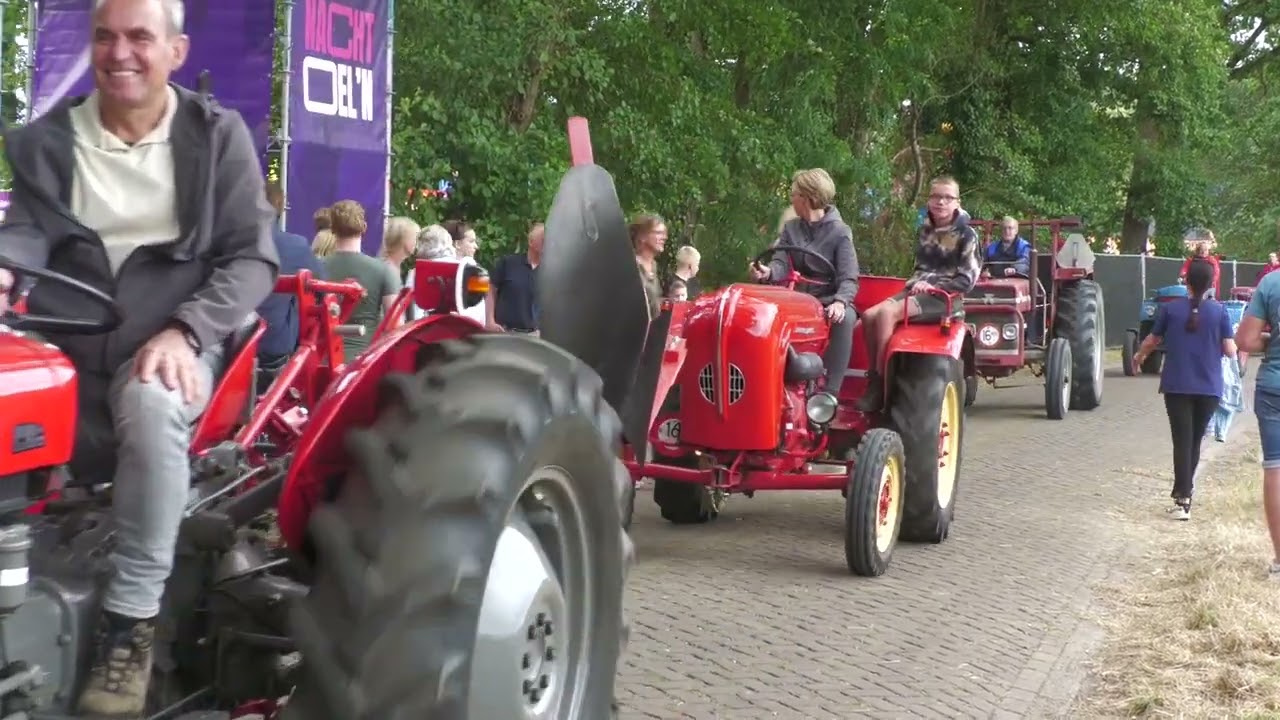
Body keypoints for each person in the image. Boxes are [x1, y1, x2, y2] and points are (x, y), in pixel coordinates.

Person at [0, 0, 279, 714]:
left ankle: (130, 629)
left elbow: (251, 259)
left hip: (171, 339)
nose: (119, 52)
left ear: (175, 51)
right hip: (67, 335)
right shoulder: (49, 141)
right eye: (104, 36)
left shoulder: (216, 138)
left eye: (138, 37)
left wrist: (187, 330)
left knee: (152, 402)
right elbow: (28, 234)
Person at [854, 175, 980, 411]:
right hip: (917, 290)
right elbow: (921, 268)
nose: (941, 202)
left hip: (945, 298)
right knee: (869, 315)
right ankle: (874, 374)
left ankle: (881, 384)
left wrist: (935, 286)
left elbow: (967, 280)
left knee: (887, 314)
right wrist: (920, 283)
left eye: (948, 197)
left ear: (957, 202)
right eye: (936, 196)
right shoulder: (925, 230)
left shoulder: (967, 235)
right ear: (929, 200)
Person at [1132, 261, 1237, 520]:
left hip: (1177, 385)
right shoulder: (1220, 311)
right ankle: (1185, 495)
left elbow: (1153, 340)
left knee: (1182, 441)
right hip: (1209, 387)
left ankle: (1183, 498)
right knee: (1195, 440)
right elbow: (1230, 350)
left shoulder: (1170, 309)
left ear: (1186, 282)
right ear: (1212, 284)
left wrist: (1139, 356)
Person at [749, 168, 860, 396]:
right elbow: (781, 263)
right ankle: (763, 380)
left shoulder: (840, 232)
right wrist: (768, 272)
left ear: (807, 198)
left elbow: (849, 278)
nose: (791, 199)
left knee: (846, 317)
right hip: (796, 297)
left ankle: (828, 394)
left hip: (827, 298)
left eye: (793, 195)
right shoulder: (791, 228)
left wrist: (840, 302)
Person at [1235, 270, 1280, 575]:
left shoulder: (1272, 283)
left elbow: (1245, 340)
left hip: (1274, 387)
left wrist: (1271, 340)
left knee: (1275, 469)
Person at [257, 181, 325, 381]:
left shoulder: (220, 243)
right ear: (279, 206)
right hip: (272, 349)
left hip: (222, 345)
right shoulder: (296, 246)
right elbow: (323, 292)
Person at [322, 200, 401, 361]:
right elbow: (395, 325)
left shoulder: (316, 267)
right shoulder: (384, 271)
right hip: (363, 362)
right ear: (364, 227)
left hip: (322, 358)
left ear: (332, 229)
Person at [486, 222, 543, 334]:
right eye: (543, 239)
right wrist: (489, 320)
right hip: (504, 332)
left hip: (533, 335)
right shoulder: (509, 263)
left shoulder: (549, 272)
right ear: (531, 241)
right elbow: (490, 289)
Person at [632, 214, 668, 320]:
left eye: (664, 233)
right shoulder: (632, 265)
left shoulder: (654, 265)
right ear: (642, 236)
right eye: (658, 233)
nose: (664, 237)